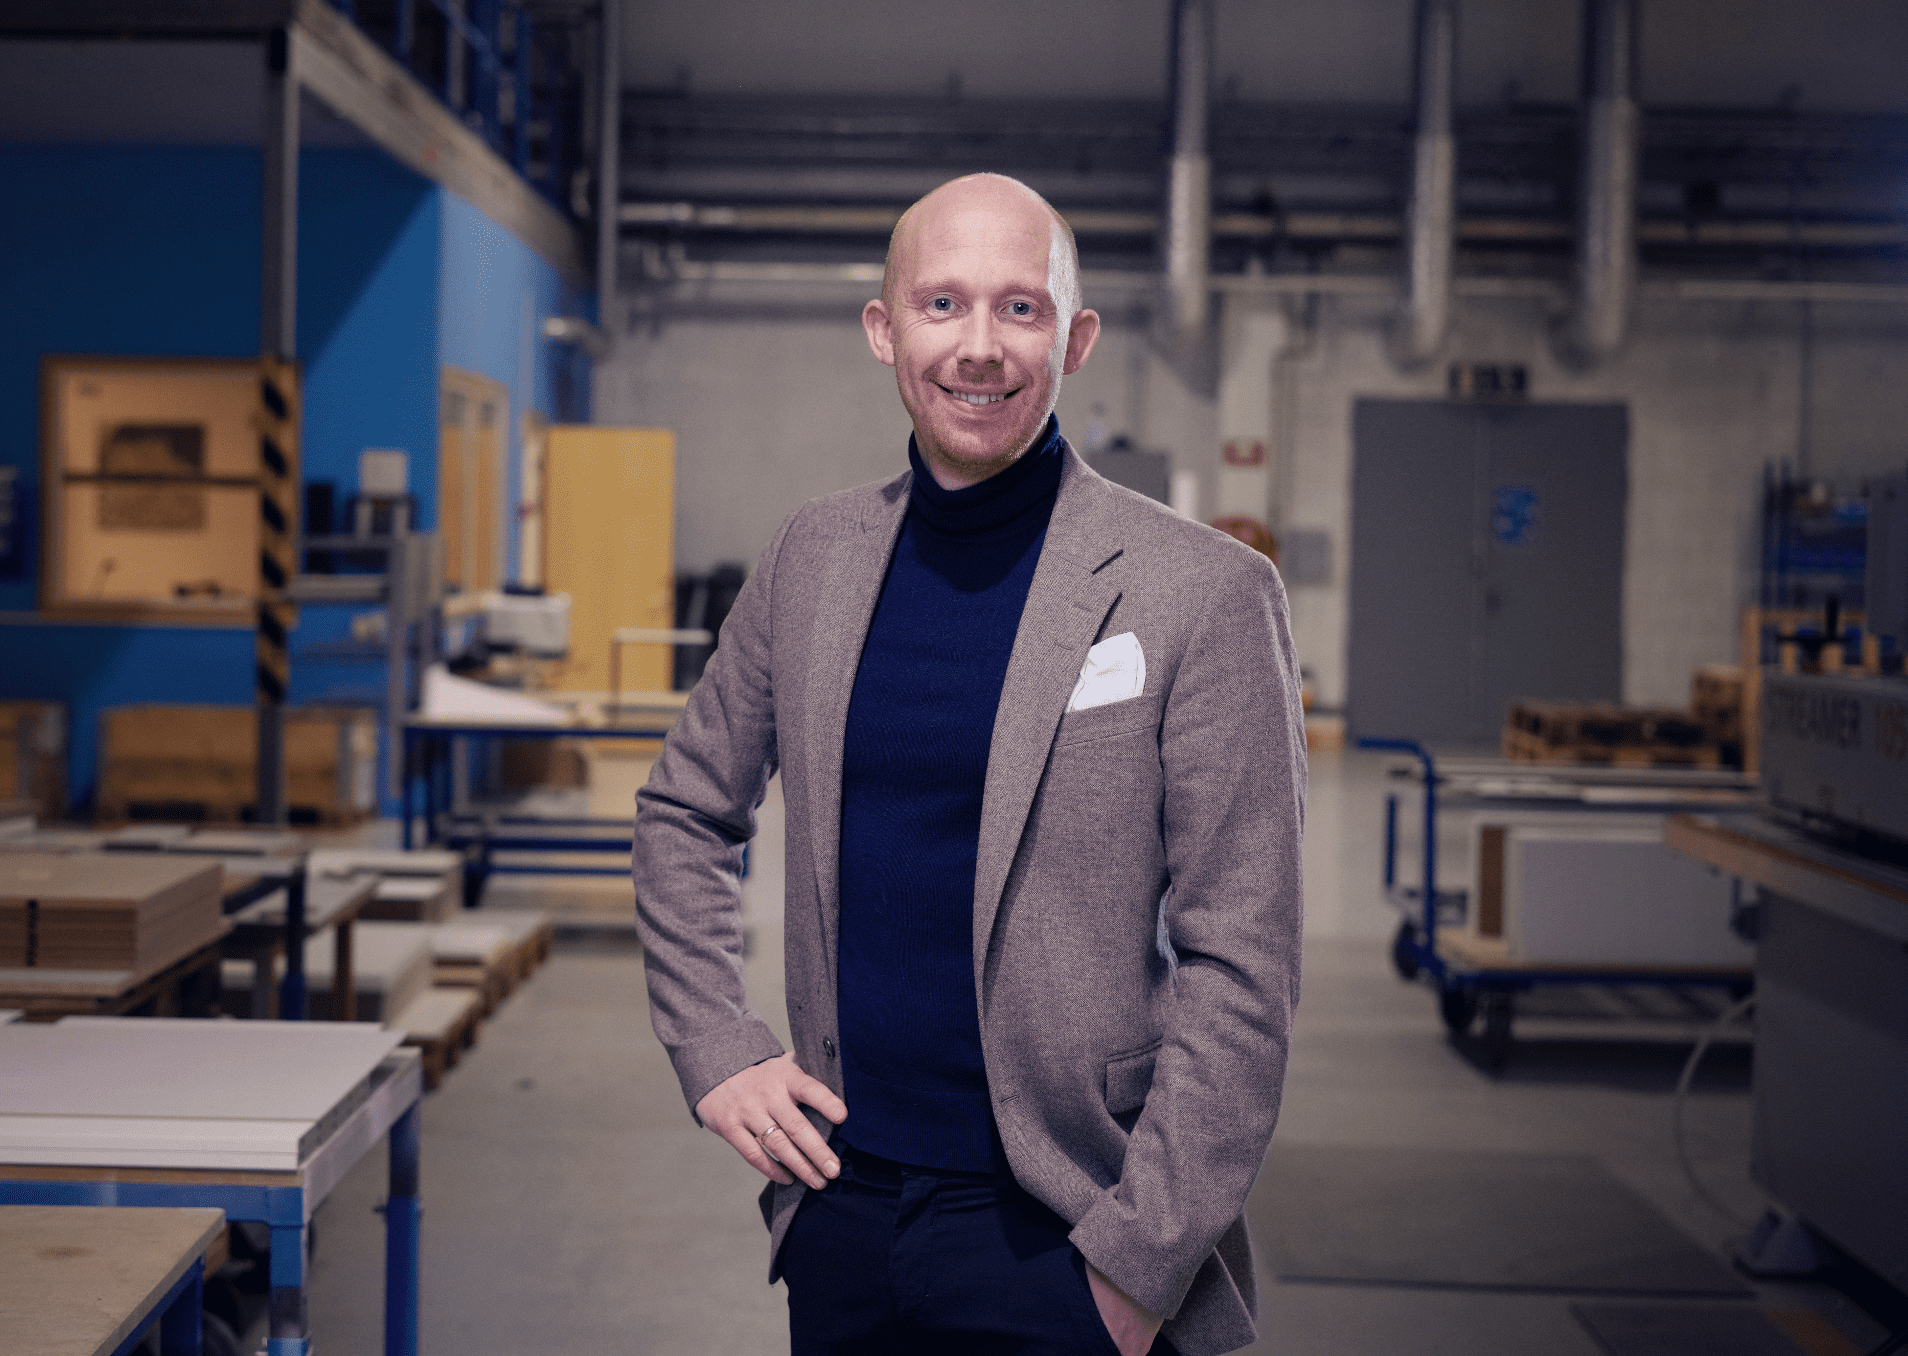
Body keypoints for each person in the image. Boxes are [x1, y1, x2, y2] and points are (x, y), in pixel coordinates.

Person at [633, 172, 1306, 1356]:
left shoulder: (1202, 592)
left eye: (1021, 308)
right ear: (884, 330)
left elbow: (1244, 960)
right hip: (843, 1210)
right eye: (942, 304)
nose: (980, 347)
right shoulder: (811, 560)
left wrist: (1139, 1265)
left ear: (1076, 339)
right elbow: (685, 810)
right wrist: (715, 1047)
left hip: (1070, 1232)